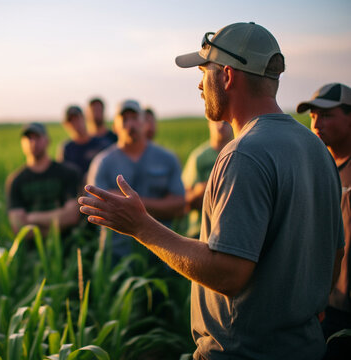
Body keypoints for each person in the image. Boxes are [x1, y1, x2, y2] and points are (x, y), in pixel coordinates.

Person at [79, 22, 344, 359]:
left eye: (204, 71)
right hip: (307, 346)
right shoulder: (316, 148)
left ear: (227, 76)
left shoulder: (243, 154)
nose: (200, 84)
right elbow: (335, 256)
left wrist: (141, 227)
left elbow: (228, 273)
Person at [87, 99, 185, 262]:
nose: (130, 124)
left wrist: (128, 204)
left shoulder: (167, 159)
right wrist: (159, 205)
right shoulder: (103, 162)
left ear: (145, 123)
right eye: (124, 119)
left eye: (135, 118)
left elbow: (179, 206)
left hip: (164, 255)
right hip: (116, 259)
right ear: (115, 126)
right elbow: (96, 210)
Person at [297, 82, 351, 355]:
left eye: (327, 115)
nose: (317, 123)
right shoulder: (311, 168)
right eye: (313, 115)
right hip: (319, 304)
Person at [6, 122, 80, 237]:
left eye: (37, 137)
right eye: (29, 138)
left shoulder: (67, 173)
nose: (33, 142)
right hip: (31, 251)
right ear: (22, 143)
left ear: (47, 141)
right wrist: (57, 222)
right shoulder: (16, 180)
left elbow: (71, 216)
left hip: (68, 247)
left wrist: (32, 217)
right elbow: (19, 227)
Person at [182, 120, 233, 238]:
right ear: (209, 124)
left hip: (231, 229)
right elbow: (185, 199)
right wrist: (201, 191)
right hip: (200, 231)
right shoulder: (198, 157)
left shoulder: (240, 154)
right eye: (216, 121)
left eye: (225, 122)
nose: (220, 125)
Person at [56, 105, 110, 179]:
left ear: (85, 119)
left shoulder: (101, 143)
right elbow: (62, 175)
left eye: (77, 119)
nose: (76, 123)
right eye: (71, 121)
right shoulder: (66, 149)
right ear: (66, 125)